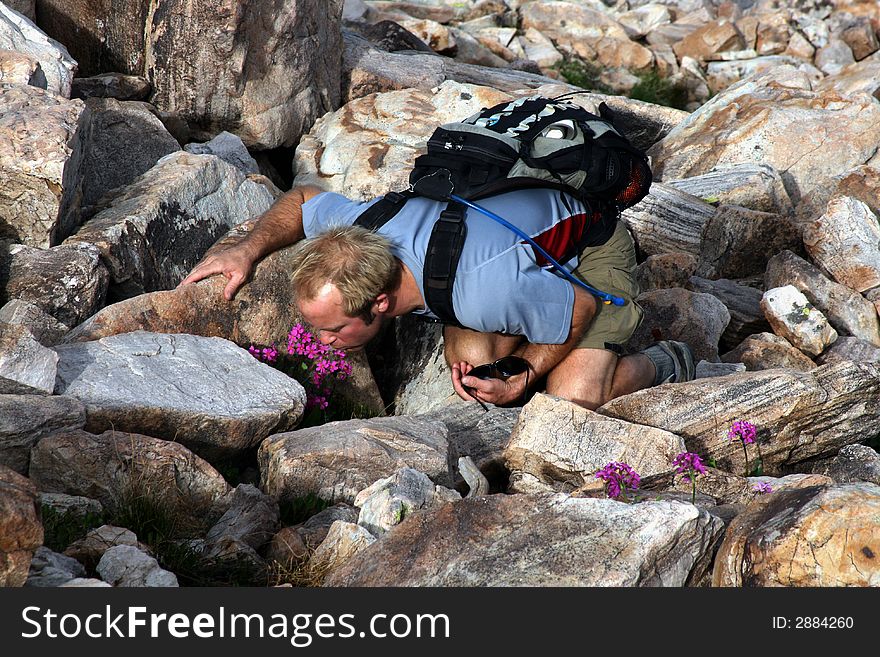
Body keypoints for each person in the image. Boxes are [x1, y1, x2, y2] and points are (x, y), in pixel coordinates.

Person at [179, 184, 695, 410]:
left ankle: (664, 362)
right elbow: (303, 197)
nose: (321, 340)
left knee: (571, 399)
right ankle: (529, 318)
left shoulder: (478, 290)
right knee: (475, 369)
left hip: (590, 251)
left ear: (380, 303)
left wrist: (530, 372)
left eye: (332, 329)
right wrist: (245, 249)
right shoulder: (356, 230)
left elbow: (580, 310)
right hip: (500, 254)